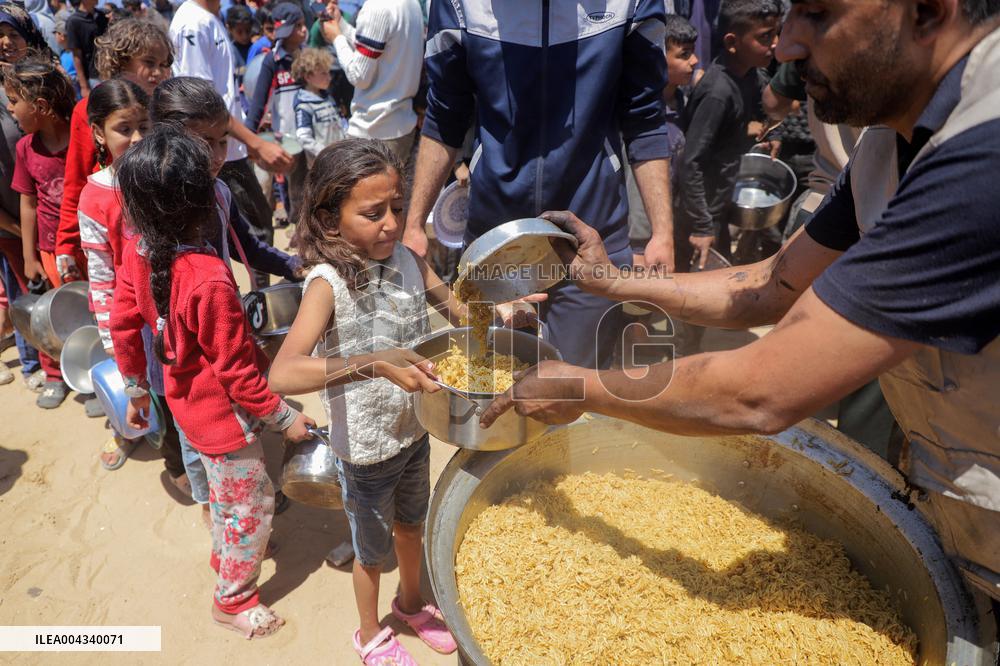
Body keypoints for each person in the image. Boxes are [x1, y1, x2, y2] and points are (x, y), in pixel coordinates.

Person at [482, 0, 1000, 609]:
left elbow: (761, 391)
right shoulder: (888, 141)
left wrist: (578, 387)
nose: (787, 48)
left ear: (928, 13)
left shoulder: (982, 158)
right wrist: (616, 282)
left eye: (818, 16)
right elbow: (775, 283)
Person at [110, 125, 315, 639]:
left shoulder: (137, 252)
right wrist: (285, 417)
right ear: (206, 200)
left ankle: (226, 553)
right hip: (223, 418)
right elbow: (238, 374)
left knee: (225, 493)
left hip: (185, 406)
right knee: (251, 503)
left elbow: (122, 323)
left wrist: (136, 387)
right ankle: (233, 598)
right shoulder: (207, 278)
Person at [267, 139, 462, 665]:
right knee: (371, 552)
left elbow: (460, 311)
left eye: (396, 208)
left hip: (414, 431)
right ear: (330, 220)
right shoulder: (327, 285)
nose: (392, 224)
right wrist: (372, 362)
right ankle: (370, 633)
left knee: (412, 526)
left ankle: (411, 603)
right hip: (366, 451)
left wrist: (505, 313)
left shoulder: (410, 259)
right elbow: (283, 371)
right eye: (373, 214)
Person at [404, 0, 677, 371]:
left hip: (592, 240)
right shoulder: (459, 4)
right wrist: (414, 224)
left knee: (576, 389)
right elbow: (444, 115)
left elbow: (644, 117)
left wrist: (662, 232)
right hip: (494, 243)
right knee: (489, 384)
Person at [149, 75, 302, 517]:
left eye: (222, 141)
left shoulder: (218, 192)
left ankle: (243, 486)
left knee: (230, 407)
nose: (218, 156)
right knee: (195, 422)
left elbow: (247, 245)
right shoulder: (148, 207)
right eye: (205, 144)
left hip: (216, 322)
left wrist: (291, 265)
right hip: (178, 344)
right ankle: (214, 506)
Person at [77, 79, 169, 474]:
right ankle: (130, 432)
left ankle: (179, 449)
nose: (137, 139)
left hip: (172, 305)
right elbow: (101, 278)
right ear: (99, 133)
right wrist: (113, 342)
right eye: (124, 129)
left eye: (144, 127)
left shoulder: (164, 175)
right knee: (138, 385)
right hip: (132, 318)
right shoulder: (95, 197)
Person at [170, 0, 293, 287]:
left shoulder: (208, 18)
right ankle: (257, 299)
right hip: (214, 150)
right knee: (252, 230)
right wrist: (254, 143)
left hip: (227, 146)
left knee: (255, 226)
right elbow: (200, 105)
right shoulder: (193, 22)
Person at [55, 17, 172, 284]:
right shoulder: (88, 110)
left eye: (164, 64)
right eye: (149, 63)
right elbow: (75, 182)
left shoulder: (168, 107)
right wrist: (66, 245)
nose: (158, 72)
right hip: (113, 241)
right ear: (118, 62)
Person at [676, 0, 779, 270]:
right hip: (699, 213)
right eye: (765, 37)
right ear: (732, 42)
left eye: (776, 34)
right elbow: (691, 161)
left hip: (718, 204)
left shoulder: (749, 74)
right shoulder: (717, 94)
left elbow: (761, 102)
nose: (776, 43)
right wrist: (701, 225)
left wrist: (773, 133)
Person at [6, 56, 77, 409]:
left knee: (91, 309)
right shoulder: (25, 149)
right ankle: (54, 374)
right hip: (49, 252)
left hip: (87, 249)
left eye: (13, 101)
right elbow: (28, 204)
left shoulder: (82, 139)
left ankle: (95, 369)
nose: (9, 108)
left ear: (40, 106)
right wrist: (30, 257)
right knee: (48, 312)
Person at [0, 2, 50, 395]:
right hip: (10, 217)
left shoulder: (50, 79)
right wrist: (16, 226)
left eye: (12, 33)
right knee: (24, 289)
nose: (5, 42)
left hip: (51, 213)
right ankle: (37, 364)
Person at [319, 0, 421, 165]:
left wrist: (337, 38)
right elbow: (375, 44)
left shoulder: (376, 7)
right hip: (402, 125)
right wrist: (341, 24)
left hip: (373, 132)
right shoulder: (412, 4)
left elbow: (358, 76)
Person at [292, 46, 344, 164]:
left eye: (328, 73)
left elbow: (341, 123)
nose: (329, 77)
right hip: (322, 164)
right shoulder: (304, 106)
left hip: (340, 159)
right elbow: (304, 137)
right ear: (308, 77)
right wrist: (325, 153)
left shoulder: (329, 99)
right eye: (323, 74)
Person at [64, 0, 108, 96]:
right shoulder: (74, 21)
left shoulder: (102, 16)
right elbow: (76, 55)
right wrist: (84, 86)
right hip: (93, 77)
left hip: (109, 72)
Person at [225, 4, 253, 88]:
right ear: (229, 29)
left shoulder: (256, 49)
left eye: (248, 31)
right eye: (239, 32)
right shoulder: (228, 52)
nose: (244, 36)